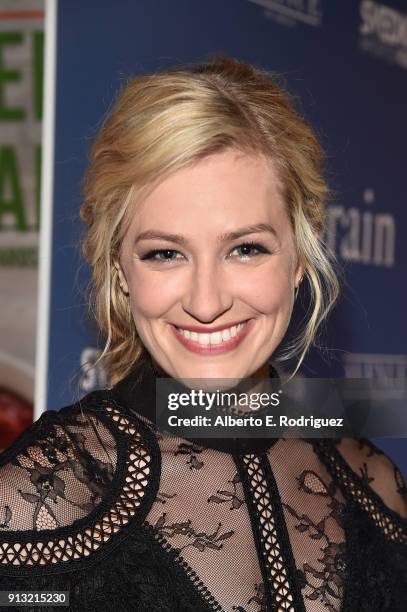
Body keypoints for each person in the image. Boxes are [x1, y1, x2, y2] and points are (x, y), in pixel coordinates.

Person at [0, 56, 406, 612]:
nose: (207, 303)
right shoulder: (46, 500)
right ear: (121, 269)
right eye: (166, 254)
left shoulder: (374, 485)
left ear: (299, 259)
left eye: (246, 249)